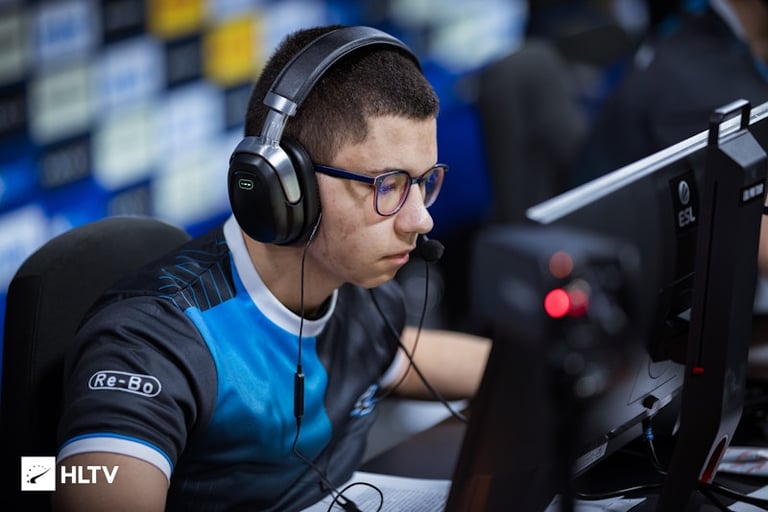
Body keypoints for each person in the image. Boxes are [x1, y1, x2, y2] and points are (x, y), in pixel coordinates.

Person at [52, 24, 490, 512]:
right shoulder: (152, 340)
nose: (421, 220)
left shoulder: (358, 293)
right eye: (388, 185)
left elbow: (439, 360)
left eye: (425, 181)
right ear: (285, 185)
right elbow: (48, 475)